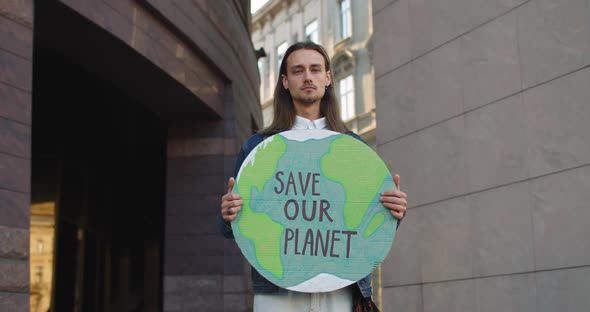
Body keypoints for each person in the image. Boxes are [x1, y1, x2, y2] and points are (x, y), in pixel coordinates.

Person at [220, 41, 408, 311]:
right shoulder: (257, 149)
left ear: (328, 78)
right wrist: (228, 215)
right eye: (298, 71)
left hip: (340, 290)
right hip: (277, 293)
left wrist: (393, 212)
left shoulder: (355, 149)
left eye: (315, 69)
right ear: (285, 81)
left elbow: (366, 227)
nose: (307, 76)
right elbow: (232, 229)